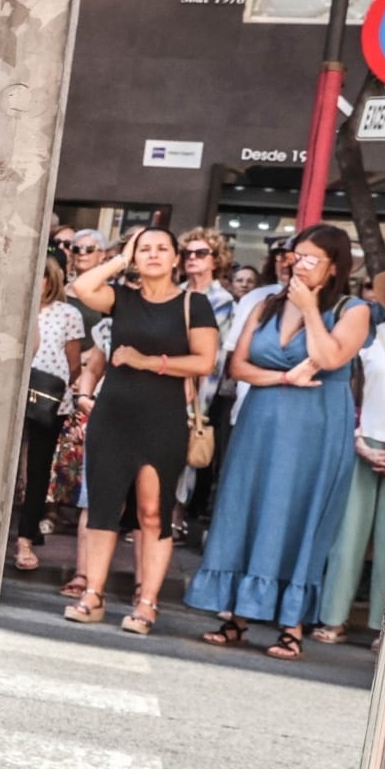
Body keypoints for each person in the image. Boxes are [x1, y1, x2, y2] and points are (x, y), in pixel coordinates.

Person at [186, 223, 367, 655]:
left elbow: (329, 357)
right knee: (245, 508)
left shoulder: (351, 309)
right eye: (295, 255)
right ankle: (237, 615)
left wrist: (307, 309)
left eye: (310, 258)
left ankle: (292, 624)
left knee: (298, 514)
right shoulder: (266, 304)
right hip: (261, 421)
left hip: (316, 427)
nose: (297, 264)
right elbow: (238, 367)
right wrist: (284, 376)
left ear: (334, 267)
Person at [66, 226, 222, 634]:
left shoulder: (195, 304)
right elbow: (82, 287)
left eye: (161, 249)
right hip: (113, 415)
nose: (153, 255)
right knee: (103, 507)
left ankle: (147, 602)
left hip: (163, 417)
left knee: (153, 512)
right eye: (144, 249)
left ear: (177, 258)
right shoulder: (122, 299)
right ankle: (93, 594)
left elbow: (205, 362)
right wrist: (121, 258)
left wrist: (146, 362)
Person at [316, 255, 385, 645]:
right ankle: (333, 619)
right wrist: (356, 438)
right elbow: (350, 390)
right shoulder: (373, 335)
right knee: (347, 537)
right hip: (365, 440)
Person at [14, 258, 84, 572]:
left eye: (40, 277)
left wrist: (61, 389)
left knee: (39, 466)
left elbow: (73, 364)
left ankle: (26, 537)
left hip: (48, 397)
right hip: (9, 393)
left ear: (50, 280)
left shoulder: (68, 313)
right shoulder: (10, 307)